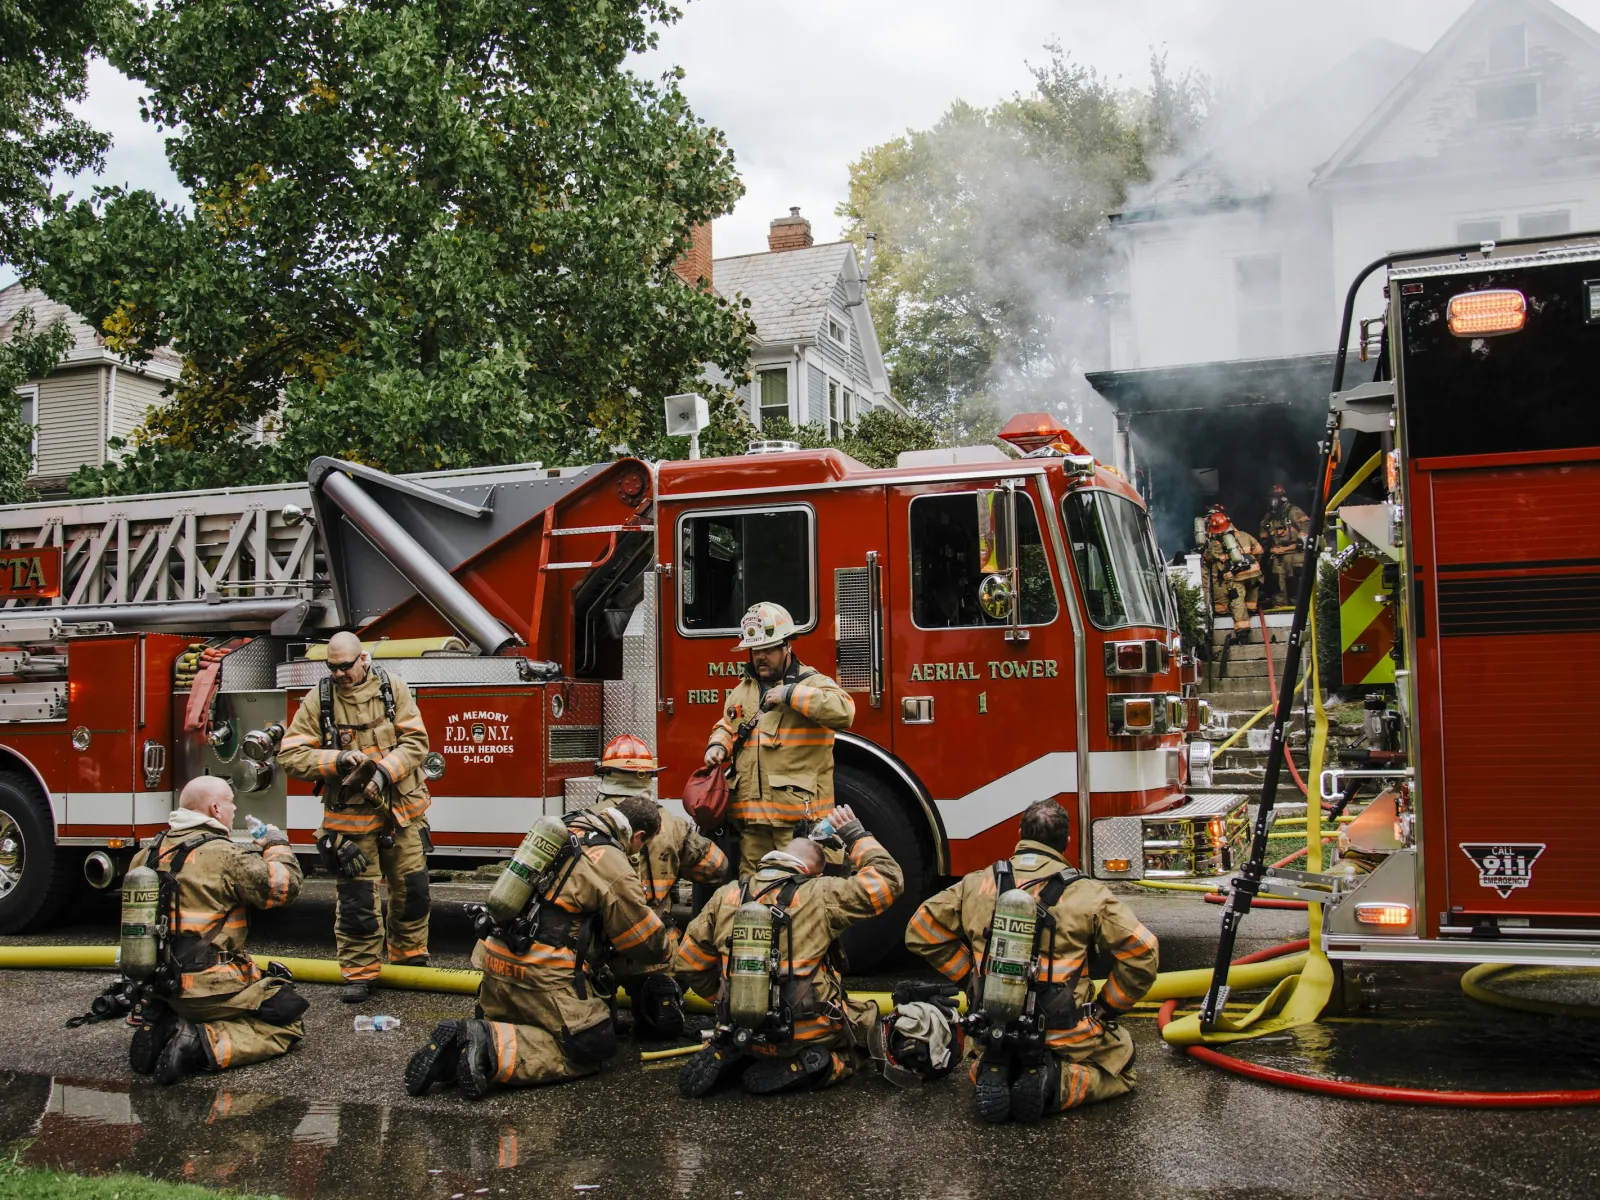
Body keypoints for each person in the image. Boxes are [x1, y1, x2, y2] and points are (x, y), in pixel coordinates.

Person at [904, 799, 1158, 1123]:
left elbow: (920, 930)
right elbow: (1144, 950)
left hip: (990, 1025)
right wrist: (1107, 1008)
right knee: (1123, 1063)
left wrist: (970, 977)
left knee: (990, 1049)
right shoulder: (1089, 893)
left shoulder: (977, 883)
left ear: (1019, 833)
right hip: (1065, 1034)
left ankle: (992, 1067)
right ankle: (1055, 1083)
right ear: (1066, 842)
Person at [403, 800, 668, 1099]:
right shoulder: (611, 861)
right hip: (542, 976)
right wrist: (669, 942)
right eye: (643, 846)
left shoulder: (560, 829)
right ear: (638, 836)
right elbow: (644, 943)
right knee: (590, 1048)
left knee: (537, 1021)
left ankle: (459, 1050)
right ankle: (489, 1047)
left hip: (496, 965)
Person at [673, 805, 902, 1097]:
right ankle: (819, 1065)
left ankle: (740, 1051)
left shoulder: (727, 894)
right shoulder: (821, 893)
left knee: (744, 1033)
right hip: (804, 1033)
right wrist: (856, 835)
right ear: (811, 873)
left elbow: (688, 963)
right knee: (866, 1022)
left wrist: (731, 1001)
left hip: (744, 1027)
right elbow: (888, 880)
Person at [277, 630, 433, 1004]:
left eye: (345, 666)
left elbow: (417, 743)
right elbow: (290, 755)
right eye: (332, 667)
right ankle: (360, 973)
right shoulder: (321, 698)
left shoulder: (393, 689)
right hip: (350, 823)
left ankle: (409, 962)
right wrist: (336, 760)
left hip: (401, 815)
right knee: (358, 902)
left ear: (363, 659)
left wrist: (382, 772)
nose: (339, 674)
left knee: (413, 892)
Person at [126, 777, 308, 1085]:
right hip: (210, 989)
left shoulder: (147, 853)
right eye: (230, 802)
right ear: (215, 808)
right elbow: (285, 888)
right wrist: (276, 844)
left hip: (159, 985)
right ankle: (200, 1043)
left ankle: (167, 1023)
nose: (235, 808)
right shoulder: (225, 854)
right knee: (287, 1019)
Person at [588, 733, 729, 1038]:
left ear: (606, 775)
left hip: (600, 949)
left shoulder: (587, 822)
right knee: (657, 989)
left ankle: (602, 1017)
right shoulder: (671, 824)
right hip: (654, 943)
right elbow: (716, 868)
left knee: (591, 996)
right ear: (649, 777)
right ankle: (656, 1001)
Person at [702, 601, 855, 877]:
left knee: (801, 890)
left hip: (800, 822)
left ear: (788, 647)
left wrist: (791, 695)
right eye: (756, 650)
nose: (761, 657)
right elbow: (727, 726)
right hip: (752, 820)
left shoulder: (810, 683)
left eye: (769, 649)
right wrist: (717, 745)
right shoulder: (742, 690)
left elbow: (844, 711)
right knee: (752, 886)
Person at [1201, 510, 1264, 640]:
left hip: (1237, 576)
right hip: (1254, 572)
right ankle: (1252, 610)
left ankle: (1243, 631)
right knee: (1251, 593)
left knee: (1237, 600)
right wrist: (1253, 564)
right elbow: (1260, 551)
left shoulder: (1215, 545)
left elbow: (1208, 560)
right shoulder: (1245, 535)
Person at [1258, 483, 1311, 608]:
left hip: (1295, 556)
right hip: (1278, 557)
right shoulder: (1270, 515)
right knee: (1277, 586)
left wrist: (1300, 540)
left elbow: (1306, 525)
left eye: (1273, 498)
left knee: (1294, 585)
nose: (1271, 502)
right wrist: (1265, 542)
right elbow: (1262, 527)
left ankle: (1297, 611)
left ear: (1281, 498)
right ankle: (1280, 608)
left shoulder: (1293, 511)